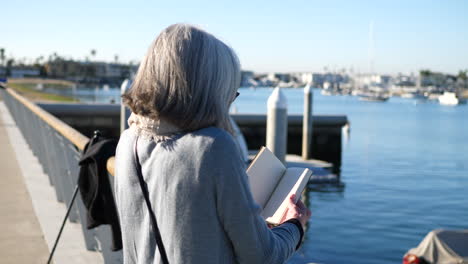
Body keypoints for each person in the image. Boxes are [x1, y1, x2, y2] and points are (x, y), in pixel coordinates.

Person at [114, 23, 311, 264]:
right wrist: (294, 226)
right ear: (209, 92)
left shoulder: (127, 142)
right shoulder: (213, 147)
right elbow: (262, 256)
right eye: (228, 94)